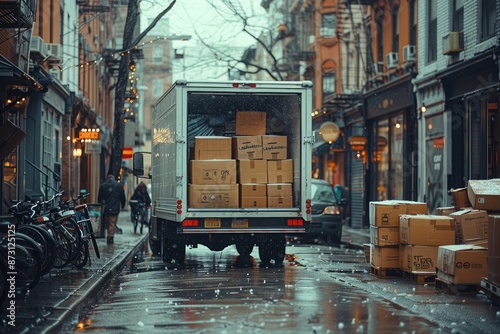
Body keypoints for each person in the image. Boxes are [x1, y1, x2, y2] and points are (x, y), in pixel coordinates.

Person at [98, 174, 126, 244]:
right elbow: (122, 197)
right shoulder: (118, 185)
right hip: (115, 208)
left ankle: (109, 235)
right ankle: (110, 237)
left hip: (106, 208)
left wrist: (100, 206)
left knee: (107, 223)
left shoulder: (103, 185)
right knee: (112, 223)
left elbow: (100, 197)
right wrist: (123, 205)